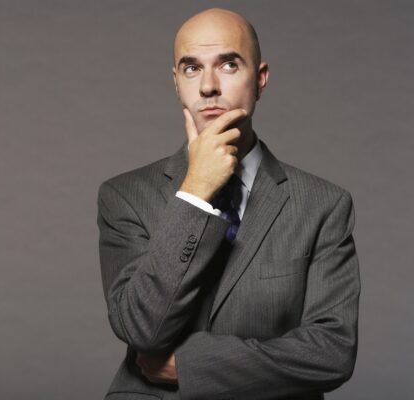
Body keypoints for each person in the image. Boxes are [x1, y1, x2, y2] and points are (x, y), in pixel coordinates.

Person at [96, 8, 360, 400]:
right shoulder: (124, 196)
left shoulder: (324, 205)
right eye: (191, 68)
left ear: (260, 79)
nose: (208, 86)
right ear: (176, 83)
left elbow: (332, 352)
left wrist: (191, 366)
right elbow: (141, 330)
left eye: (229, 65)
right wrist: (195, 191)